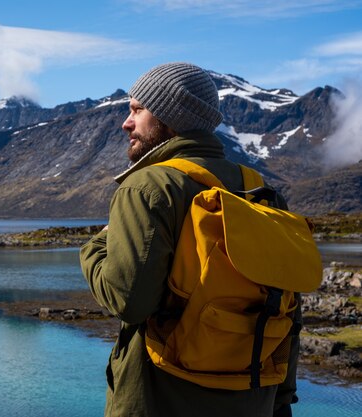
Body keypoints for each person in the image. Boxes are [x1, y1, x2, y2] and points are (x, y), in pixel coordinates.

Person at [80, 62, 299, 417]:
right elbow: (287, 313)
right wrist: (282, 400)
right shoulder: (262, 192)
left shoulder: (148, 187)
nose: (126, 122)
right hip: (251, 402)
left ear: (170, 117)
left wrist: (95, 248)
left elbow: (128, 302)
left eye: (137, 109)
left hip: (158, 400)